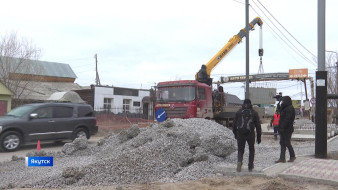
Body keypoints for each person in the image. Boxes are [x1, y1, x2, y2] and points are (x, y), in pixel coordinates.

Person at [233, 99, 262, 172]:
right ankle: (250, 165)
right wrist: (259, 137)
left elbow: (234, 124)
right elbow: (258, 126)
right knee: (251, 149)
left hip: (240, 133)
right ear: (250, 104)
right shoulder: (254, 113)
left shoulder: (238, 112)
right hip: (250, 134)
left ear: (243, 104)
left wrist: (235, 134)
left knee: (240, 149)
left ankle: (239, 161)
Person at [275, 96, 296, 163]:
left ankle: (292, 156)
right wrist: (279, 107)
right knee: (282, 143)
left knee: (287, 143)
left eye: (283, 101)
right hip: (282, 128)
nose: (282, 102)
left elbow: (287, 119)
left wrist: (282, 127)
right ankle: (282, 158)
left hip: (287, 129)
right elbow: (279, 116)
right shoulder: (284, 108)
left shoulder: (290, 108)